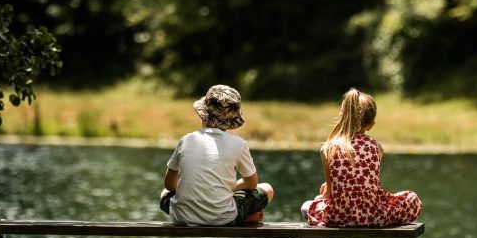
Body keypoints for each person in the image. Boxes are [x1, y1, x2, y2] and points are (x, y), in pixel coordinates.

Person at [302, 88, 421, 227]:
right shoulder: (377, 148)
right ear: (370, 125)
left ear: (343, 117)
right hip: (373, 216)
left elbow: (328, 194)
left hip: (338, 217)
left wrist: (323, 194)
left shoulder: (328, 149)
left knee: (306, 206)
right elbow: (367, 185)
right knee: (412, 199)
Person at [160, 84, 274, 226]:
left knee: (164, 192)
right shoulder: (239, 144)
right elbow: (252, 184)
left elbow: (169, 185)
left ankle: (242, 215)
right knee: (267, 189)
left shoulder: (186, 140)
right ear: (231, 120)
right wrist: (224, 189)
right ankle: (246, 217)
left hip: (182, 217)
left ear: (203, 114)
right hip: (224, 218)